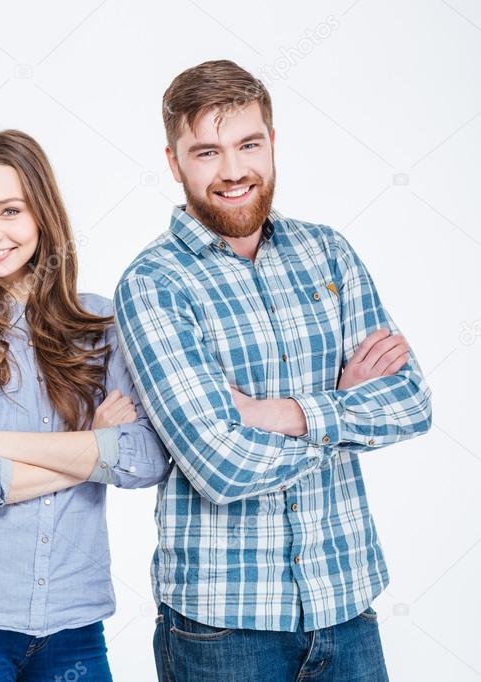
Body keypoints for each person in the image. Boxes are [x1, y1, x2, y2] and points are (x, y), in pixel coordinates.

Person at [114, 59, 433, 681]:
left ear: (272, 142)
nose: (233, 171)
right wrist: (340, 412)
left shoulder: (328, 253)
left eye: (248, 145)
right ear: (174, 162)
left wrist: (274, 414)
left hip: (347, 607)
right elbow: (219, 466)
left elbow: (411, 403)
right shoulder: (154, 284)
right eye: (207, 152)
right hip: (224, 629)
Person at [0, 129, 169, 681]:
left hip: (74, 623)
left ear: (42, 216)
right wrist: (93, 449)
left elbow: (146, 459)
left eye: (10, 210)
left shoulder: (103, 326)